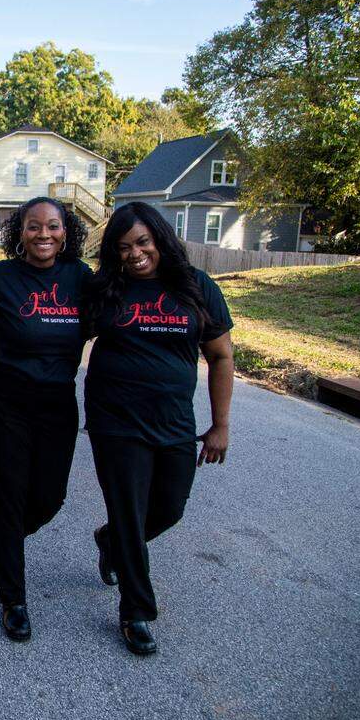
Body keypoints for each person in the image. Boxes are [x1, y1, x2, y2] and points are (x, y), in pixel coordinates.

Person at [84, 201, 233, 656]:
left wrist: (220, 424)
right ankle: (137, 612)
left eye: (143, 242)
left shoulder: (195, 287)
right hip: (116, 421)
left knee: (169, 508)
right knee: (130, 512)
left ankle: (110, 540)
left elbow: (222, 356)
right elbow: (54, 334)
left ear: (161, 240)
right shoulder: (106, 289)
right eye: (125, 246)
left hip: (174, 423)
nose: (135, 253)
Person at [0, 196, 92, 642]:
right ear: (18, 232)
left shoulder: (80, 278)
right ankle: (13, 599)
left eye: (53, 226)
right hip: (6, 406)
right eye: (34, 226)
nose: (44, 235)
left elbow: (111, 321)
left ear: (66, 231)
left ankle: (6, 543)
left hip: (58, 405)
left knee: (49, 497)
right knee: (8, 498)